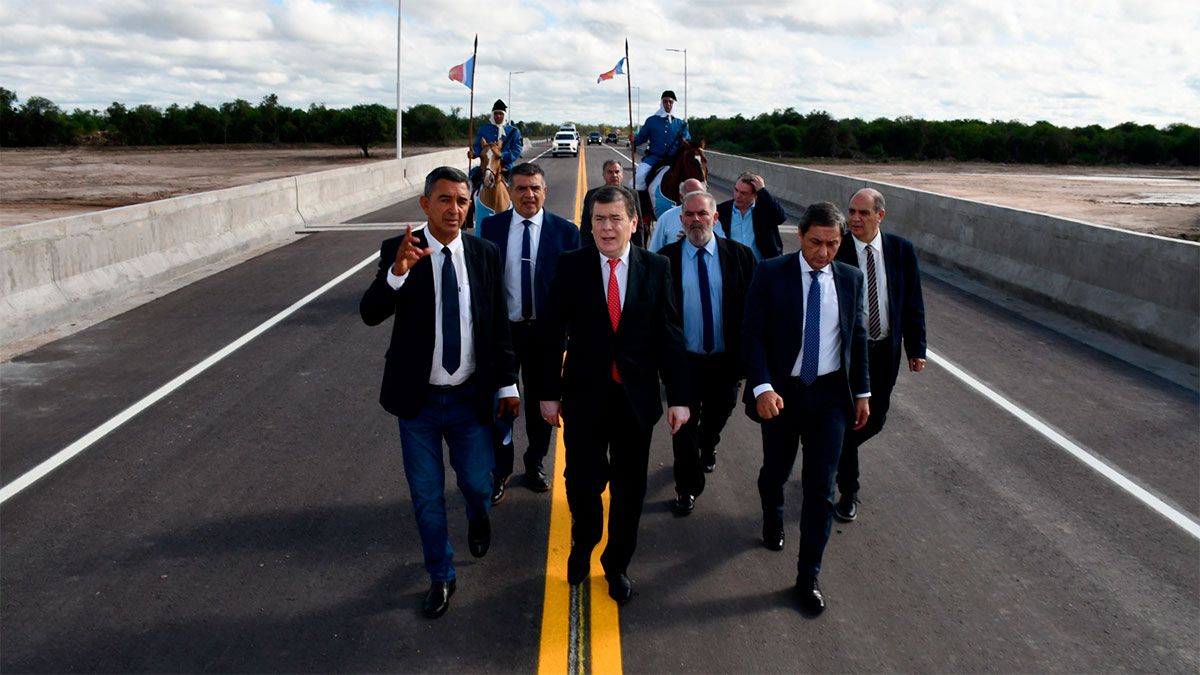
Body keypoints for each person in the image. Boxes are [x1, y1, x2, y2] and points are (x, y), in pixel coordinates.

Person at [359, 166, 520, 619]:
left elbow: (497, 324)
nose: (454, 209)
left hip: (470, 398)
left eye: (462, 201)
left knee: (477, 485)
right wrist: (396, 274)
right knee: (427, 497)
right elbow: (370, 313)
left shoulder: (485, 253)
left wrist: (507, 383)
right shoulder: (400, 250)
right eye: (445, 199)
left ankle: (478, 516)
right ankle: (441, 574)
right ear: (425, 204)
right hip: (419, 404)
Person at [538, 185, 690, 605]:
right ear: (590, 224)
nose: (607, 227)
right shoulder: (571, 265)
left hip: (635, 401)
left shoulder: (656, 267)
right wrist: (548, 393)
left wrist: (679, 397)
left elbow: (670, 336)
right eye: (599, 219)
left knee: (629, 489)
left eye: (615, 219)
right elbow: (550, 333)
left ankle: (617, 563)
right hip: (584, 398)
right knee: (582, 482)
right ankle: (584, 541)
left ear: (634, 223)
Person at [742, 201, 870, 616]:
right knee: (775, 472)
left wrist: (863, 392)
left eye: (832, 244)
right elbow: (752, 335)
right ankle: (773, 514)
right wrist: (762, 387)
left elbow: (857, 339)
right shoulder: (771, 273)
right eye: (816, 242)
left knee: (820, 488)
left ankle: (807, 576)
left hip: (830, 397)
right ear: (799, 236)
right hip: (781, 394)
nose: (823, 252)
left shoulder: (850, 278)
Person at [479, 163, 581, 503]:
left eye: (535, 188)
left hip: (546, 336)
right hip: (504, 334)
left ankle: (535, 462)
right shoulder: (491, 228)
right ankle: (501, 468)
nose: (528, 194)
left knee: (542, 404)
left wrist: (567, 335)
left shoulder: (566, 233)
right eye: (521, 188)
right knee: (501, 405)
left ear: (545, 191)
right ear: (510, 191)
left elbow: (574, 291)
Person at [659, 191, 757, 515]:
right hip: (683, 362)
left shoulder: (740, 257)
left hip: (725, 362)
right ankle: (686, 487)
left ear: (715, 218)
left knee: (718, 414)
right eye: (689, 215)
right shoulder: (665, 260)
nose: (696, 220)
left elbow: (755, 311)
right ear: (682, 219)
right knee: (682, 427)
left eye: (702, 214)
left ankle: (709, 443)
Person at [832, 188, 926, 522]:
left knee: (875, 419)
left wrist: (916, 347)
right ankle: (848, 489)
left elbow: (912, 301)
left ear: (880, 216)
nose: (855, 219)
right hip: (847, 353)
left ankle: (834, 451)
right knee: (849, 419)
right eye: (851, 212)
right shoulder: (838, 249)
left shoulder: (901, 250)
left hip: (885, 350)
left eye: (863, 213)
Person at [716, 172, 787, 260]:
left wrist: (763, 191)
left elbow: (781, 217)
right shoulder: (722, 210)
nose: (737, 196)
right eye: (736, 190)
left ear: (755, 195)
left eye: (743, 193)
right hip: (733, 266)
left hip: (761, 266)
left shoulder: (764, 211)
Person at [631, 90, 690, 192]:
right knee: (639, 175)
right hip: (654, 158)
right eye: (665, 101)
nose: (668, 104)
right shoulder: (651, 121)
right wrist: (634, 139)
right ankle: (638, 199)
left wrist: (686, 143)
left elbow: (688, 144)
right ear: (661, 103)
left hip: (674, 160)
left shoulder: (681, 124)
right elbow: (641, 138)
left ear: (674, 104)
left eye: (670, 102)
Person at [648, 178, 725, 253]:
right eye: (691, 196)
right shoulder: (666, 218)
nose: (696, 200)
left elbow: (722, 247)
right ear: (681, 198)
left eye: (699, 195)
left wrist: (699, 239)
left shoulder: (711, 218)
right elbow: (654, 251)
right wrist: (681, 244)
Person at [581, 159, 644, 248]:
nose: (614, 175)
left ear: (622, 174)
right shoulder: (592, 195)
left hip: (625, 246)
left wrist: (640, 249)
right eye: (610, 172)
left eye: (617, 172)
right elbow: (586, 226)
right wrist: (584, 249)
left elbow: (639, 226)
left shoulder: (632, 194)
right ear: (603, 175)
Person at [468, 99, 523, 190]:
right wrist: (473, 153)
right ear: (492, 114)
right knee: (469, 181)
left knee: (519, 186)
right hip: (486, 167)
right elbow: (477, 146)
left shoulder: (514, 132)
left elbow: (516, 150)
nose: (498, 116)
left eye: (501, 113)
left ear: (504, 115)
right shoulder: (483, 129)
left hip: (507, 167)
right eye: (496, 113)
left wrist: (501, 155)